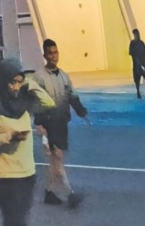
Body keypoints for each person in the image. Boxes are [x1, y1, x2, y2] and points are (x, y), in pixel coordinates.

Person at [0, 58, 53, 226]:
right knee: (14, 221)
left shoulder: (24, 102)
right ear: (3, 81)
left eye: (20, 82)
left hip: (27, 173)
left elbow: (48, 102)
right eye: (13, 82)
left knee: (20, 221)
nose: (16, 87)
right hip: (4, 174)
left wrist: (30, 84)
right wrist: (7, 138)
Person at [36, 39, 88, 207]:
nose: (53, 56)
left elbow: (71, 95)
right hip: (47, 125)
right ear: (44, 55)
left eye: (55, 52)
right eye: (50, 53)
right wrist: (40, 125)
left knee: (55, 160)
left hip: (61, 124)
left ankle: (49, 193)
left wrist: (81, 110)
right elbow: (36, 102)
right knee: (56, 158)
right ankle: (70, 193)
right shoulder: (39, 77)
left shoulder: (64, 76)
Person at [129, 29, 145, 99]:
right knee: (137, 80)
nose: (138, 35)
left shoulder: (141, 43)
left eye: (138, 34)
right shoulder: (132, 43)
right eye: (136, 34)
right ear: (134, 35)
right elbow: (133, 55)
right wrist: (138, 63)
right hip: (136, 65)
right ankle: (138, 92)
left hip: (143, 64)